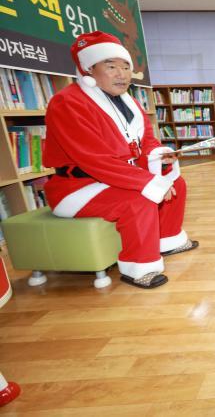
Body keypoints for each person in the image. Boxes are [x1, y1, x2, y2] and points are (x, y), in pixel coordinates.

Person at [43, 31, 197, 289]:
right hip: (77, 187)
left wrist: (160, 154)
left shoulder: (130, 102)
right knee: (139, 198)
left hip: (115, 178)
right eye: (111, 66)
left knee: (176, 184)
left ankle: (168, 240)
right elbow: (96, 160)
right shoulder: (66, 103)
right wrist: (148, 181)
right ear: (89, 69)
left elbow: (147, 141)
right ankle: (139, 267)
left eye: (126, 67)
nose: (122, 74)